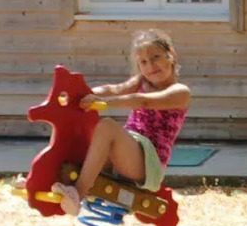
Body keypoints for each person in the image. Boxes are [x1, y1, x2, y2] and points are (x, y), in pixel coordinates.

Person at [52, 29, 191, 216]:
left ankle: (78, 194)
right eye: (143, 62)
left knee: (107, 127)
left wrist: (103, 102)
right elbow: (115, 89)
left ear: (170, 55)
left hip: (148, 163)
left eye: (156, 57)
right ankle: (44, 177)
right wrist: (81, 94)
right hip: (127, 152)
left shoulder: (180, 92)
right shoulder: (142, 81)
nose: (151, 66)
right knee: (80, 129)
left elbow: (144, 101)